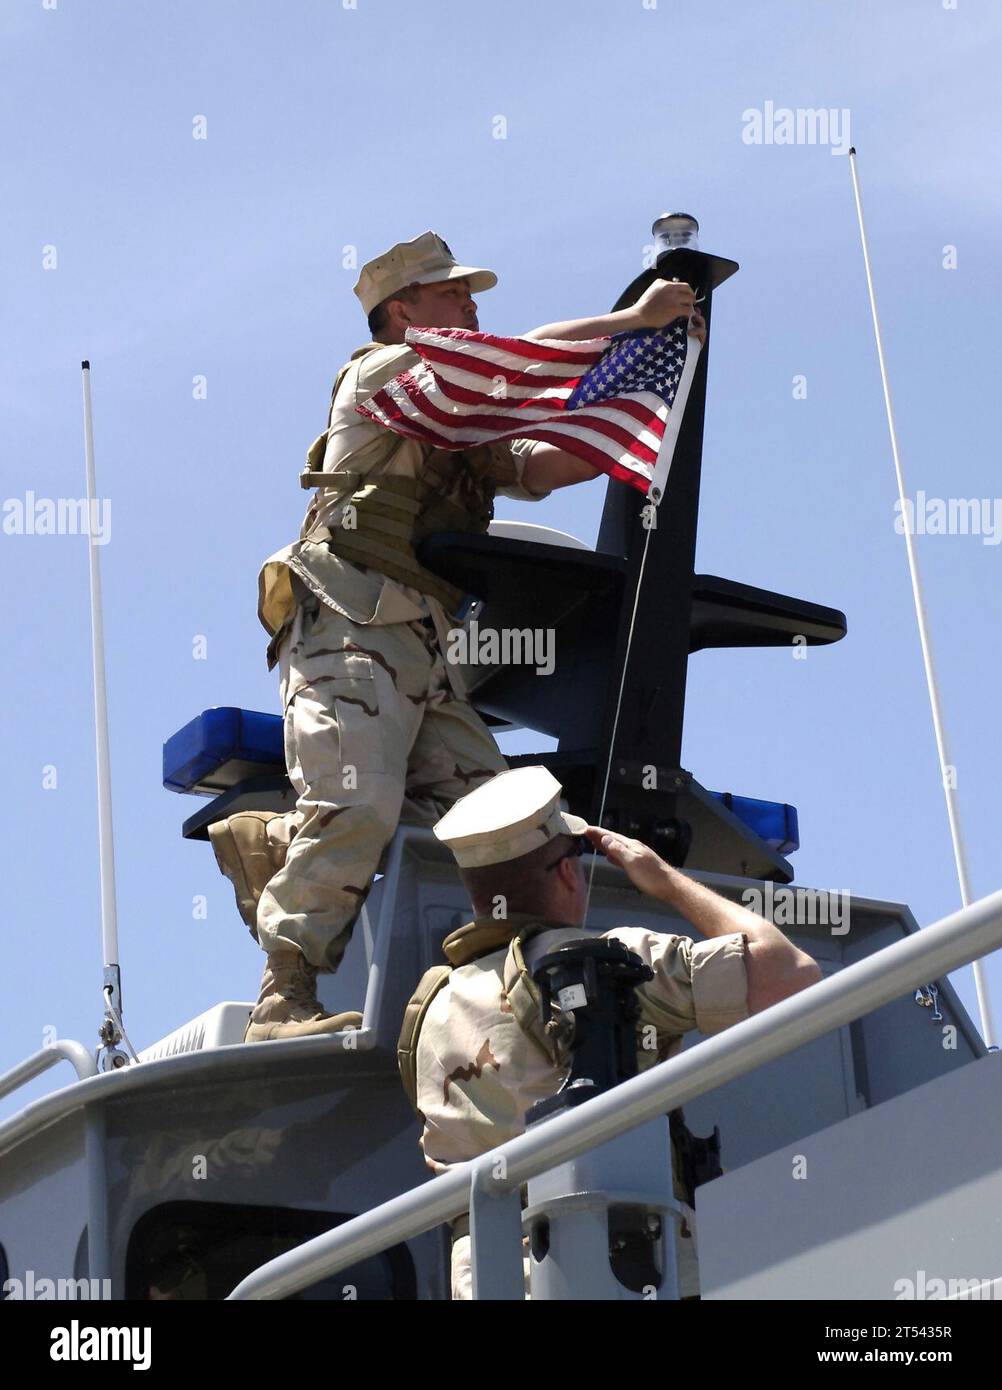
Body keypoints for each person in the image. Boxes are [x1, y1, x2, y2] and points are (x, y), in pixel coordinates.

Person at [211, 230, 707, 1041]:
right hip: (348, 622)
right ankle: (283, 996)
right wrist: (629, 322)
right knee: (355, 802)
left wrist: (649, 386)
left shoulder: (469, 412)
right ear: (401, 310)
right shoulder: (385, 375)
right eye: (452, 294)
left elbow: (545, 466)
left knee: (510, 823)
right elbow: (507, 362)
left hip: (424, 646)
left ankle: (514, 996)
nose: (471, 305)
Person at [407, 765, 821, 1298]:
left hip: (494, 1281)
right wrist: (665, 880)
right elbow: (793, 975)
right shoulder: (613, 962)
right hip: (624, 1272)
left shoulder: (429, 1010)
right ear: (565, 873)